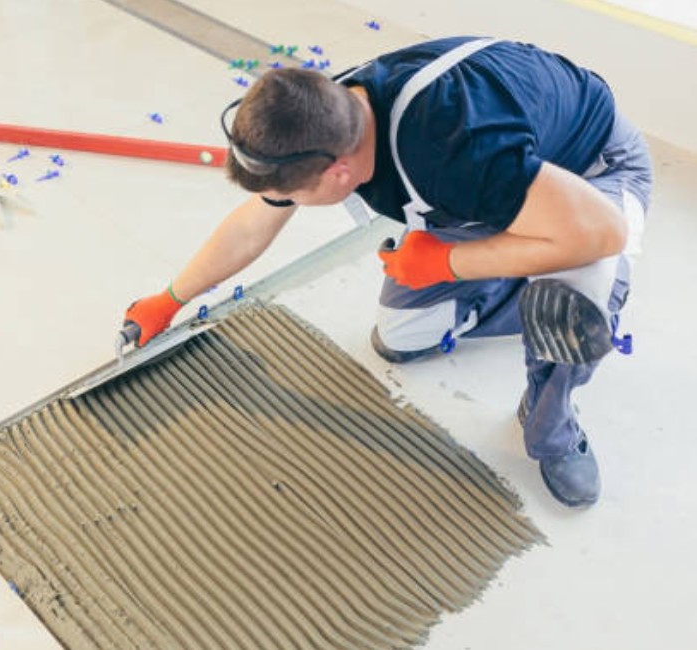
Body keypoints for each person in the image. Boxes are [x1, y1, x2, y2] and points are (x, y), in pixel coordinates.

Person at [122, 36, 652, 508]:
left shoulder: (460, 152)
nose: (283, 202)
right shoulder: (327, 110)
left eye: (290, 195)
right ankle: (522, 274)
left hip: (590, 178)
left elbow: (603, 233)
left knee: (570, 301)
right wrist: (169, 299)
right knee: (403, 337)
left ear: (340, 173)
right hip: (502, 190)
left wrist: (446, 261)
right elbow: (252, 226)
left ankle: (552, 428)